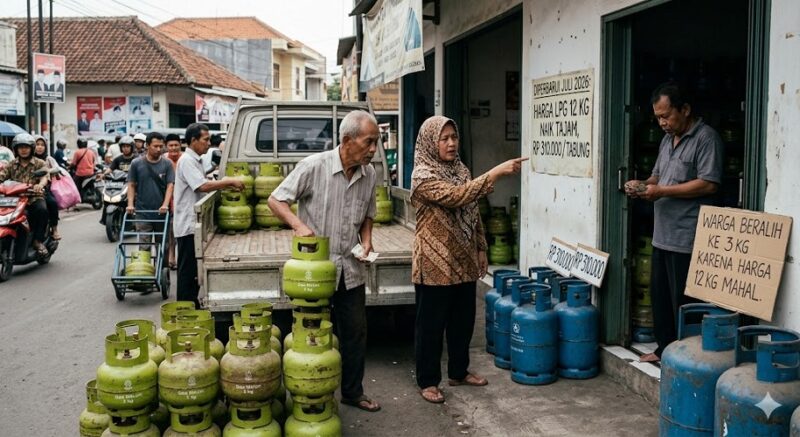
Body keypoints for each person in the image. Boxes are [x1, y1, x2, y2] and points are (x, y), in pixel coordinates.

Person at [268, 110, 382, 413]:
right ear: (347, 140)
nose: (373, 149)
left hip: (350, 268)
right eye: (369, 142)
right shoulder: (313, 166)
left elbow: (368, 214)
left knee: (355, 332)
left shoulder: (369, 174)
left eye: (376, 142)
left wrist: (367, 240)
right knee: (311, 335)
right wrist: (298, 226)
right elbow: (276, 200)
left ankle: (353, 392)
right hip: (314, 272)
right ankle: (310, 394)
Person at [410, 116, 526, 403]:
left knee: (462, 321)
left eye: (454, 137)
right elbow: (457, 197)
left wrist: (481, 248)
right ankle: (428, 381)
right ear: (430, 142)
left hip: (463, 258)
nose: (451, 143)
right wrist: (496, 172)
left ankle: (459, 372)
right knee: (431, 326)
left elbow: (472, 211)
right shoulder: (422, 175)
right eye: (444, 138)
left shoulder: (460, 170)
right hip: (434, 261)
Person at [625, 81, 724, 363]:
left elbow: (709, 183)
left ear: (685, 109)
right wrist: (642, 185)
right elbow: (657, 177)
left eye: (666, 116)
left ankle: (687, 358)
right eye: (658, 118)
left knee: (685, 302)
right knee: (661, 299)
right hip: (663, 234)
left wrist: (661, 191)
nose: (662, 123)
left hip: (688, 236)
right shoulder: (666, 141)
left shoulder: (706, 138)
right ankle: (664, 350)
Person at [173, 123, 244, 306]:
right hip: (188, 225)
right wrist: (228, 182)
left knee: (193, 272)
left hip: (193, 224)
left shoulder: (195, 160)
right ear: (193, 140)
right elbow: (202, 186)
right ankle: (185, 310)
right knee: (187, 272)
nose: (208, 143)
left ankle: (191, 305)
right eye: (205, 140)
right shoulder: (187, 161)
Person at [126, 132, 174, 263]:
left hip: (161, 213)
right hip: (142, 212)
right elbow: (131, 184)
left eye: (161, 146)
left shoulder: (167, 164)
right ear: (147, 145)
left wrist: (165, 204)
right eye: (155, 146)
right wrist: (130, 204)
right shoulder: (136, 163)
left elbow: (170, 185)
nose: (159, 149)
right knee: (144, 245)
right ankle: (144, 270)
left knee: (163, 246)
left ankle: (163, 271)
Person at [0, 134, 50, 256]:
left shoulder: (39, 163)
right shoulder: (11, 164)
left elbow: (45, 176)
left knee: (42, 210)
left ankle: (38, 241)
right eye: (20, 147)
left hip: (33, 197)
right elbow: (2, 176)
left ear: (31, 148)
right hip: (15, 199)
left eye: (26, 147)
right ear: (16, 149)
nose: (23, 150)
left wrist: (40, 185)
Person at [33, 136, 62, 240]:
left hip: (43, 189)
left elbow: (57, 168)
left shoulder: (48, 159)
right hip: (24, 189)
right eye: (37, 144)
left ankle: (54, 229)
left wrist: (49, 172)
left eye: (42, 145)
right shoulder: (25, 159)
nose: (40, 147)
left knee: (52, 203)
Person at [165, 133, 182, 270]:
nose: (174, 148)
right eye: (171, 145)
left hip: (183, 199)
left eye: (176, 145)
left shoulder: (185, 159)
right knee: (170, 230)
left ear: (180, 145)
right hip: (168, 199)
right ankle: (171, 256)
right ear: (167, 146)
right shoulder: (163, 160)